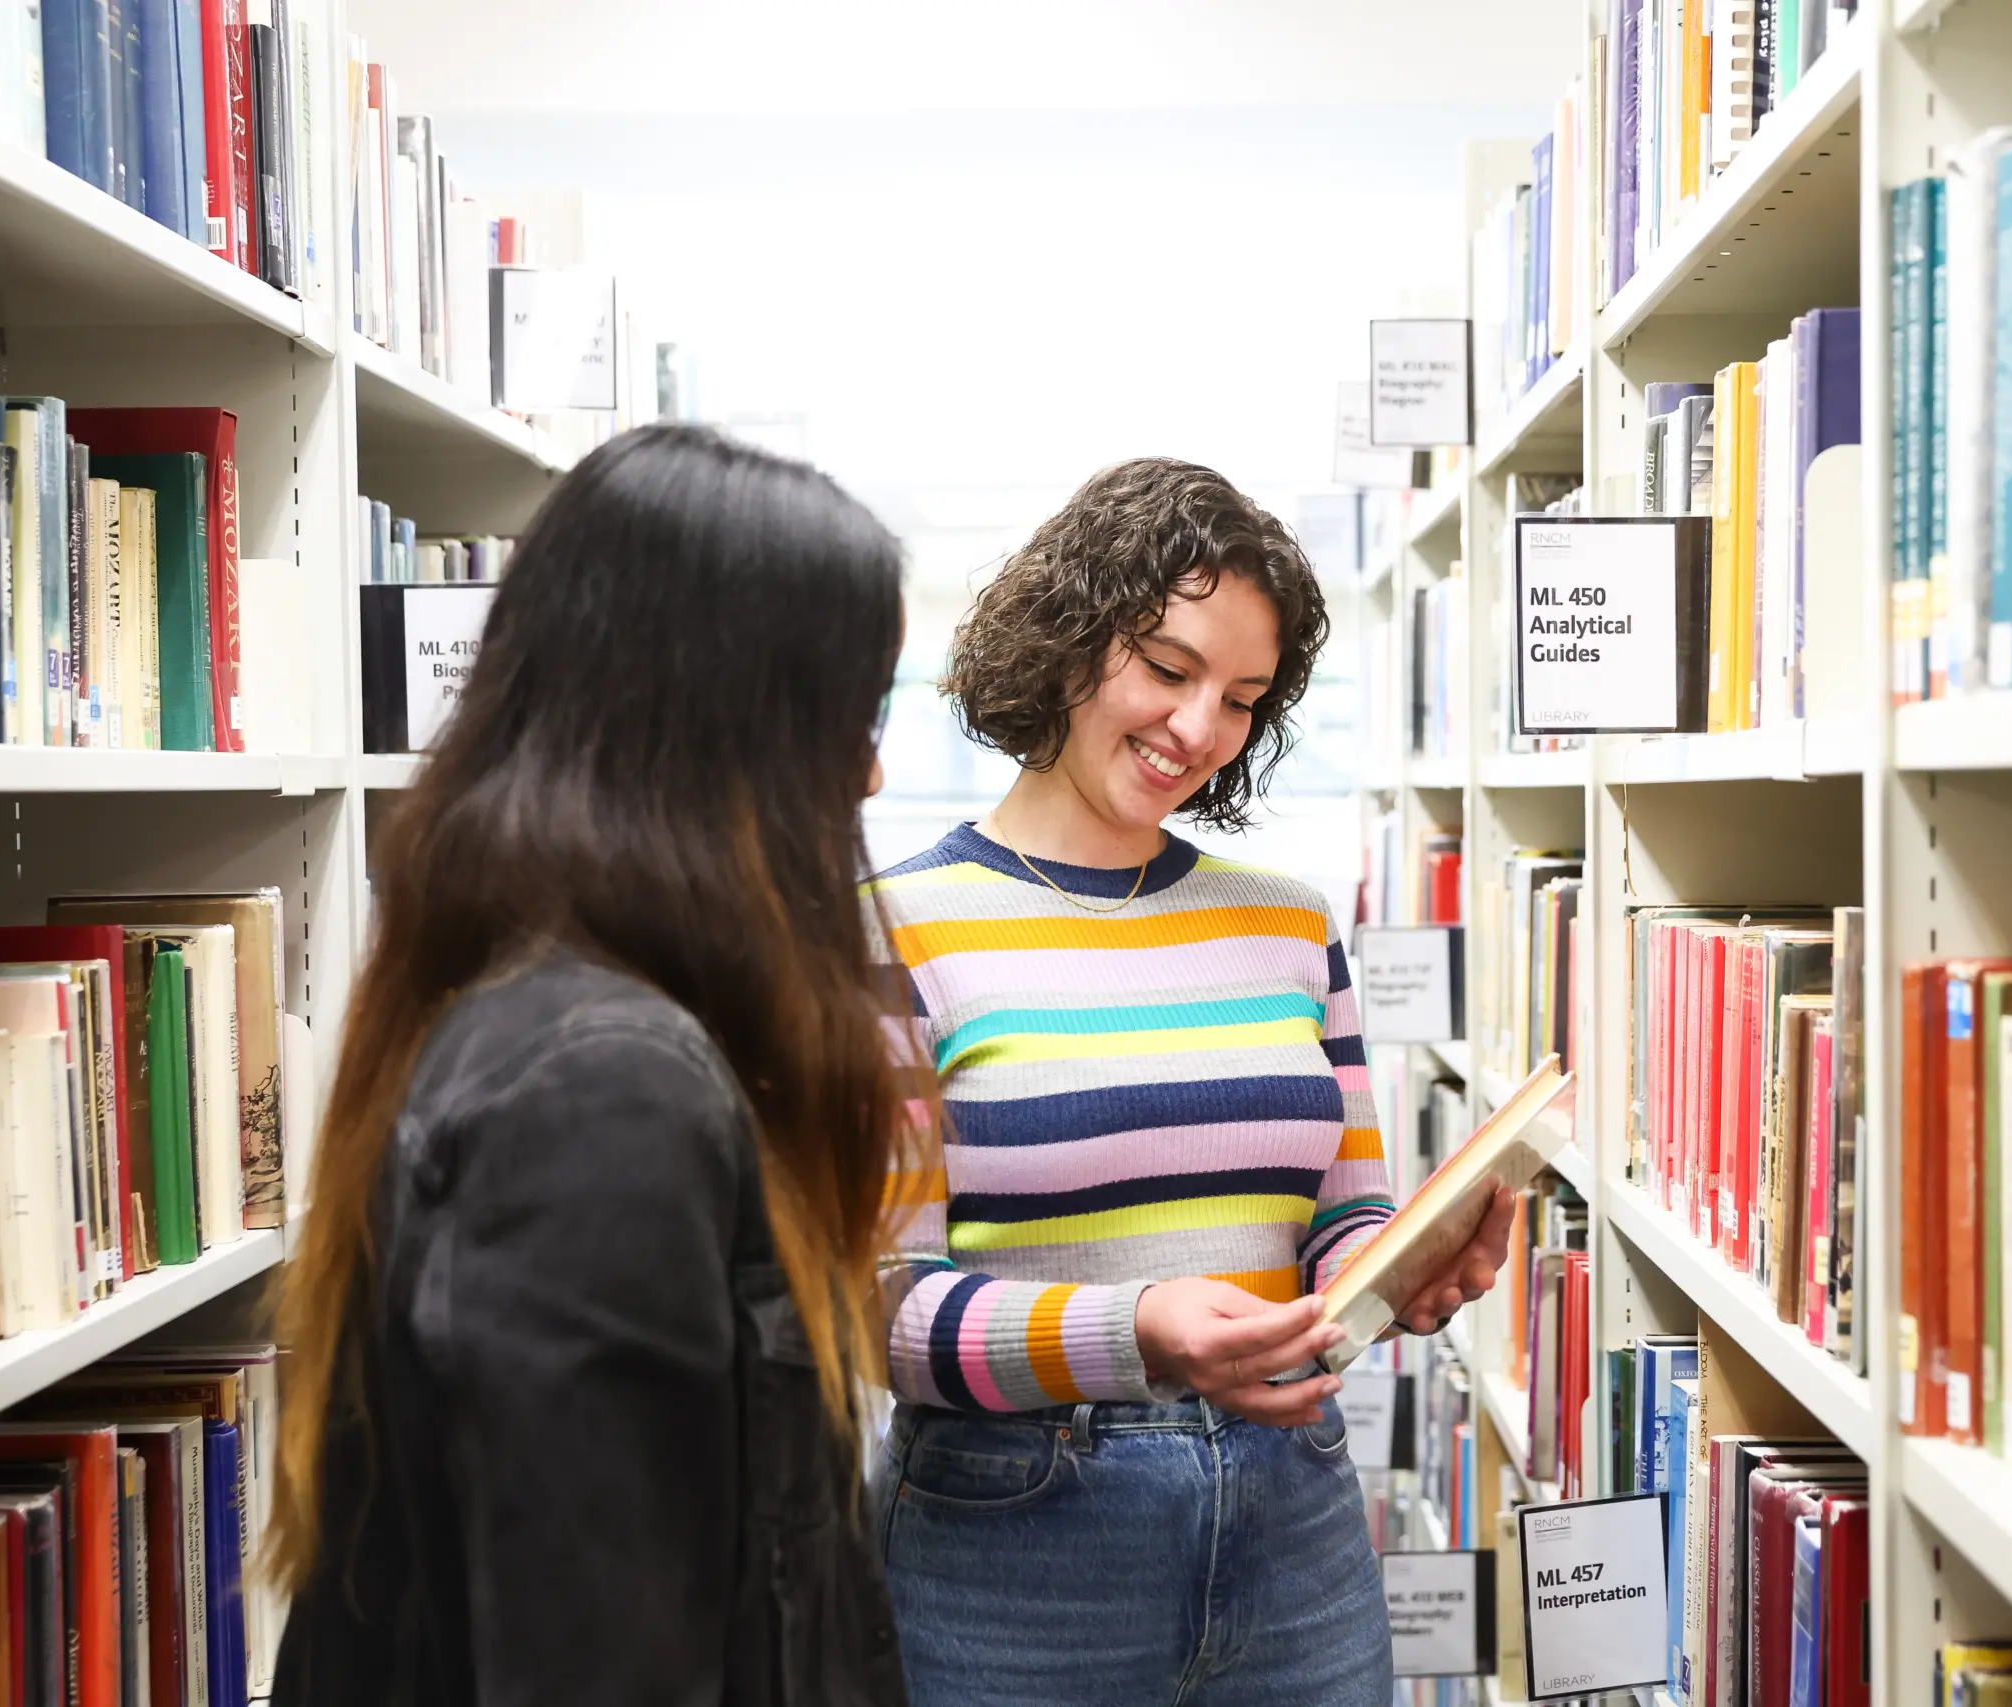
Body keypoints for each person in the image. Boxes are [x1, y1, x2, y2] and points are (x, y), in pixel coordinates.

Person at [267, 426, 921, 1707]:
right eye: (853, 713)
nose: (870, 768)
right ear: (722, 726)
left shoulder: (567, 1023)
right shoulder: (601, 1093)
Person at [866, 456, 1516, 1706]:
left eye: (1242, 698)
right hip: (1013, 1542)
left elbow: (1342, 1211)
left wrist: (1389, 1276)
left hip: (1297, 1528)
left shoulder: (1286, 922)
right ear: (1066, 639)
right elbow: (876, 1308)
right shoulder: (887, 932)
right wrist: (1138, 1333)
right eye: (1168, 670)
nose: (1199, 730)